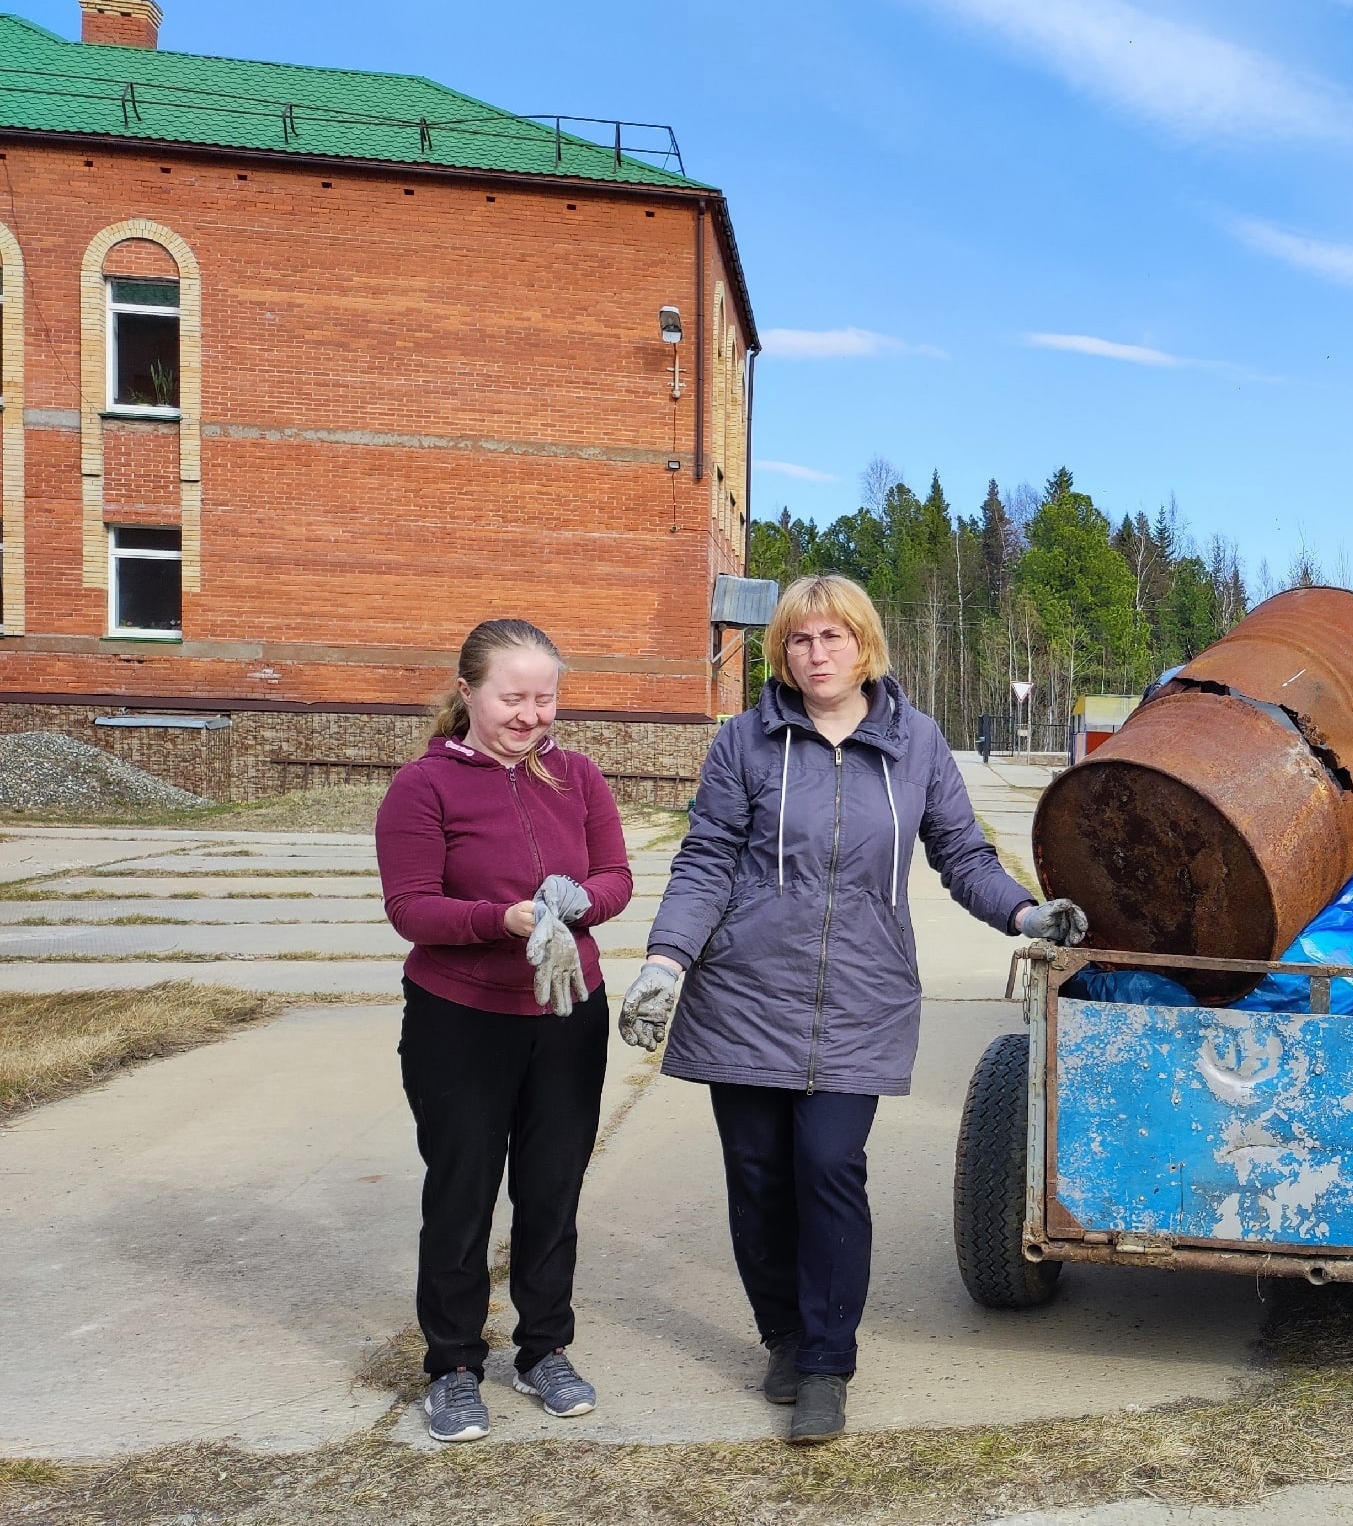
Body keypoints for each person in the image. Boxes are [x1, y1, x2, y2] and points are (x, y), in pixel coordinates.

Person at [616, 575, 1087, 1445]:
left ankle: (830, 1361)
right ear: (782, 653)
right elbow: (707, 860)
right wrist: (665, 959)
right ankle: (785, 1339)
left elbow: (961, 855)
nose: (816, 652)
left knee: (830, 1167)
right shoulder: (743, 744)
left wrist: (1025, 912)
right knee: (758, 1181)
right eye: (799, 639)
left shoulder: (916, 745)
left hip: (862, 996)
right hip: (745, 996)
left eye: (833, 636)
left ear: (865, 645)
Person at [377, 619, 632, 1444]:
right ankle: (453, 1364)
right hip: (462, 1020)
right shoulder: (424, 787)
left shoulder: (579, 776)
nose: (531, 715)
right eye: (512, 697)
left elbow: (616, 876)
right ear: (469, 692)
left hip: (566, 1015)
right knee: (462, 1190)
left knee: (552, 1188)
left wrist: (580, 902)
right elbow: (410, 907)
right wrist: (504, 917)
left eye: (545, 697)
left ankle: (543, 1349)